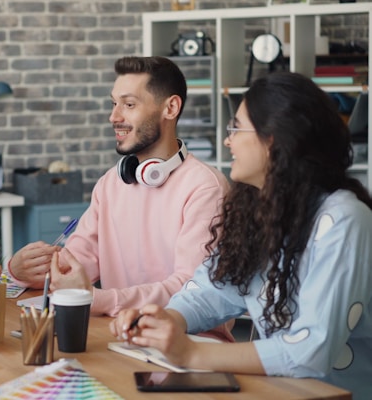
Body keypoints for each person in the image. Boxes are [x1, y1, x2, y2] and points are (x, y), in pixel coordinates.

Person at [110, 72, 372, 398]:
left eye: (235, 128)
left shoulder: (344, 219)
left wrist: (192, 354)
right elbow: (213, 289)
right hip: (273, 390)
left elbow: (311, 351)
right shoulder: (259, 207)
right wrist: (168, 320)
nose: (227, 140)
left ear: (273, 139)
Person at [9, 56, 232, 328]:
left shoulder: (205, 187)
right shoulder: (111, 184)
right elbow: (74, 265)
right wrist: (18, 270)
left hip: (187, 341)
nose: (114, 117)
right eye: (114, 104)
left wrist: (99, 299)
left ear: (170, 108)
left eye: (128, 104)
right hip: (122, 335)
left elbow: (190, 288)